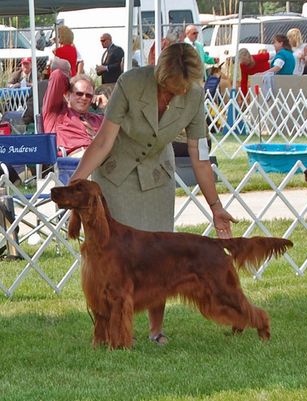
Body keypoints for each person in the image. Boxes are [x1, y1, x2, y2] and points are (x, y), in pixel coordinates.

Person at [70, 43, 236, 345]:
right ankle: (108, 330)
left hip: (157, 176)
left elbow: (199, 155)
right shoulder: (131, 83)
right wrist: (76, 182)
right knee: (113, 259)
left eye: (181, 90)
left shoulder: (195, 96)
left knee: (158, 259)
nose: (174, 95)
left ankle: (155, 330)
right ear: (160, 75)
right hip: (117, 176)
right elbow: (105, 140)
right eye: (169, 88)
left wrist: (215, 206)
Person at [42, 66, 107, 156]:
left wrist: (107, 107)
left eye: (88, 95)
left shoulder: (98, 119)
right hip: (72, 161)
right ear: (68, 95)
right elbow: (57, 76)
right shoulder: (55, 113)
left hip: (100, 158)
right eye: (79, 93)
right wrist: (70, 84)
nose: (84, 98)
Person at [23, 57, 71, 126]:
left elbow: (27, 115)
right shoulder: (76, 89)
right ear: (70, 73)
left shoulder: (39, 87)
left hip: (42, 129)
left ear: (50, 72)